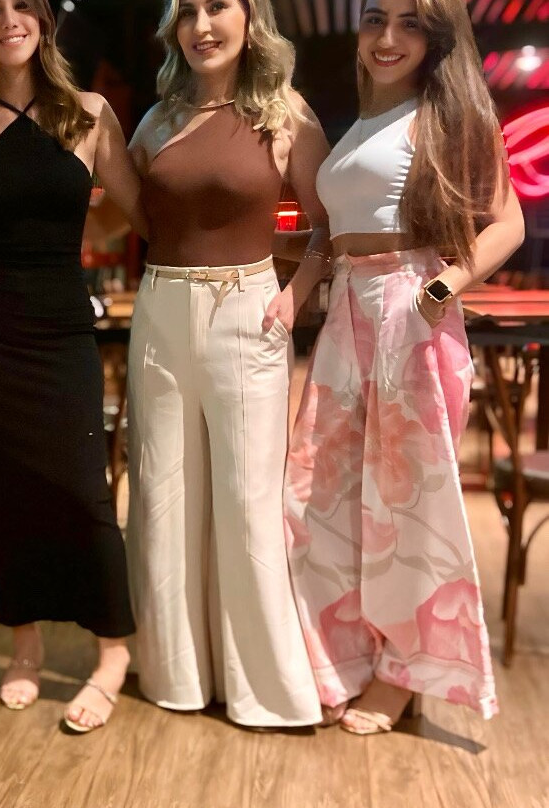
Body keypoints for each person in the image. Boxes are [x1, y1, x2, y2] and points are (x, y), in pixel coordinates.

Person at [283, 0, 525, 734]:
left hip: (409, 310)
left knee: (408, 505)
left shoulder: (448, 117)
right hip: (349, 312)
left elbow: (508, 221)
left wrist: (445, 286)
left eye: (410, 24)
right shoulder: (360, 123)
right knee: (320, 493)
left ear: (436, 38)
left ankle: (403, 674)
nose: (387, 38)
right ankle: (343, 657)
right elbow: (333, 232)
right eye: (375, 20)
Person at [0, 0, 143, 733]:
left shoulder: (88, 114)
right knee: (8, 493)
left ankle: (111, 651)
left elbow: (136, 211)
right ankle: (25, 644)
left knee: (85, 488)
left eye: (23, 5)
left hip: (61, 325)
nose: (9, 19)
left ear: (45, 22)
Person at [126, 0, 329, 728]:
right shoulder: (156, 121)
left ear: (251, 20)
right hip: (160, 306)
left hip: (248, 308)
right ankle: (175, 675)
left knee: (247, 503)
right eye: (187, 11)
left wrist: (293, 297)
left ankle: (266, 692)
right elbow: (137, 218)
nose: (202, 25)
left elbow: (327, 228)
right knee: (160, 496)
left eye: (218, 6)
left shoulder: (285, 114)